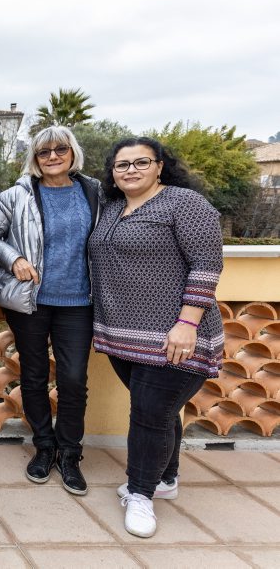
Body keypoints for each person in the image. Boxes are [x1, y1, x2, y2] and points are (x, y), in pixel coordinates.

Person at [89, 137, 223, 538]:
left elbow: (207, 265)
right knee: (160, 412)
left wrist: (187, 323)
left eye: (141, 162)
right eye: (121, 164)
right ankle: (166, 478)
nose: (130, 170)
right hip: (123, 337)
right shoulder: (111, 208)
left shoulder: (185, 203)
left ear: (160, 166)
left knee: (149, 414)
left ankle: (140, 493)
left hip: (174, 336)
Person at [0, 126, 101, 495]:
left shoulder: (95, 192)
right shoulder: (16, 196)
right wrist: (13, 258)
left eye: (59, 149)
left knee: (73, 380)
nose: (52, 157)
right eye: (43, 152)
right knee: (33, 376)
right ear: (34, 158)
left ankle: (70, 453)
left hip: (79, 302)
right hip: (30, 301)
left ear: (72, 152)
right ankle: (44, 447)